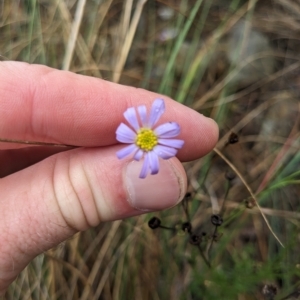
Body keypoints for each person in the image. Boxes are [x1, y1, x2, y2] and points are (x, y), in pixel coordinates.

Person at [0, 61, 218, 295]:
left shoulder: (148, 138)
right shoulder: (135, 139)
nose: (146, 140)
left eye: (148, 138)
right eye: (145, 138)